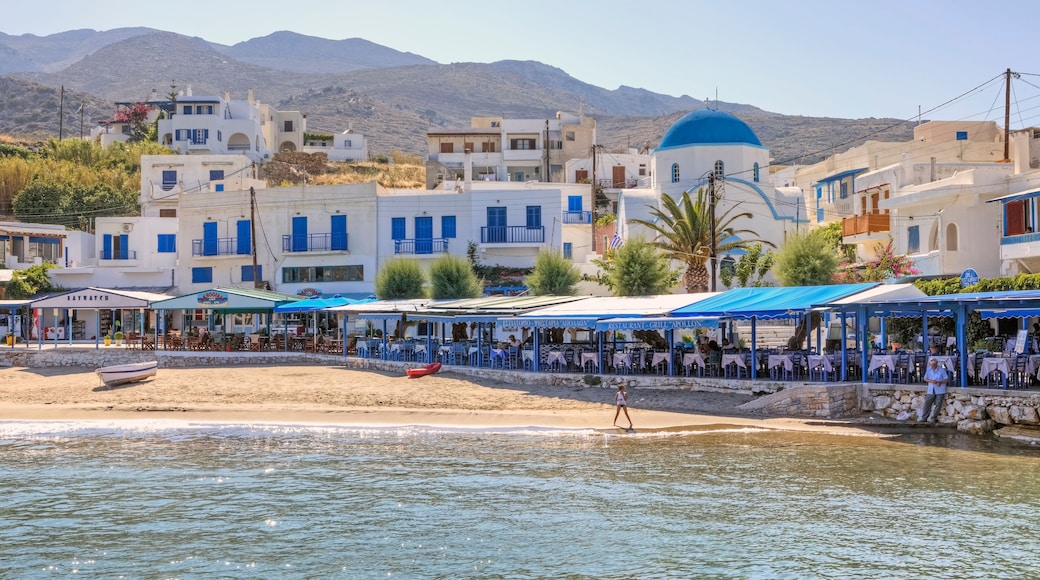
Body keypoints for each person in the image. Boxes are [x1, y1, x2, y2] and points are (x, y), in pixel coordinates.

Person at [920, 358, 949, 423]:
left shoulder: (941, 370)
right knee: (927, 403)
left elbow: (946, 379)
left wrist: (940, 382)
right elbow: (925, 378)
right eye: (931, 365)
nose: (932, 366)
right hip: (931, 389)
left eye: (934, 365)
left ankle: (933, 417)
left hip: (940, 389)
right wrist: (932, 381)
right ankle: (924, 417)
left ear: (936, 364)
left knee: (938, 404)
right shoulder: (929, 369)